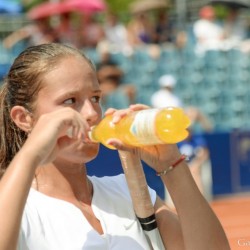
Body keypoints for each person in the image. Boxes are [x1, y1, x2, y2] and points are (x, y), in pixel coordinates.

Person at [0, 43, 230, 250]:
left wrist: (170, 164)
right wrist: (32, 154)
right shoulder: (19, 208)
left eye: (95, 98)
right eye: (69, 101)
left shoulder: (128, 191)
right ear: (23, 118)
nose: (91, 114)